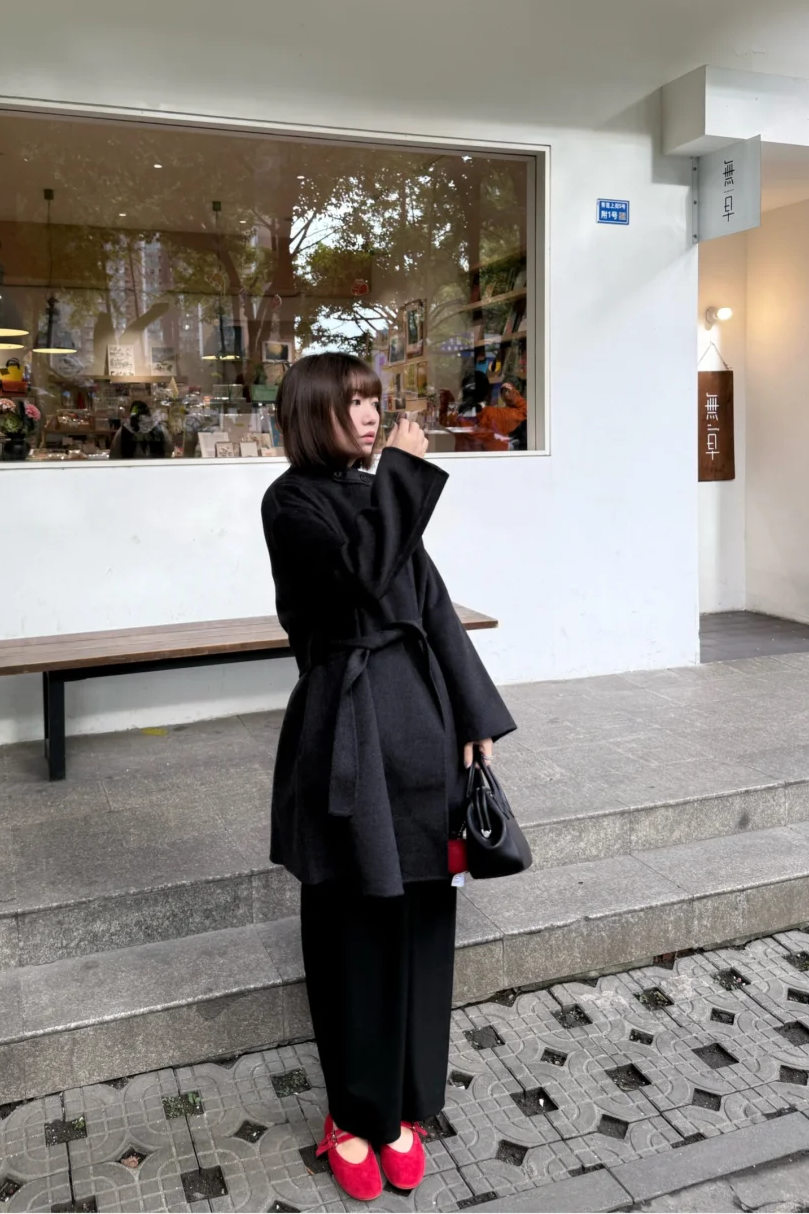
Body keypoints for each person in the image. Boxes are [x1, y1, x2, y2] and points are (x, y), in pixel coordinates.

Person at [261, 353, 516, 1201]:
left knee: (423, 922)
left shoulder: (382, 494)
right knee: (353, 926)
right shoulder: (290, 503)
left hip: (422, 731)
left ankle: (405, 1104)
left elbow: (432, 607)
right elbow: (356, 584)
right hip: (348, 735)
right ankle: (351, 1112)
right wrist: (401, 474)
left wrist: (475, 717)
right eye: (353, 404)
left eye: (374, 402)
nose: (372, 417)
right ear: (313, 414)